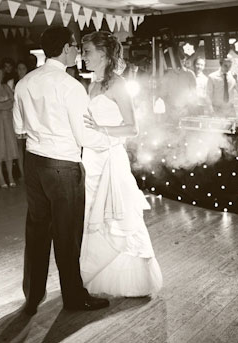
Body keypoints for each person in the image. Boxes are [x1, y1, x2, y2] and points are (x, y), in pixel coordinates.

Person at [13, 26, 113, 315]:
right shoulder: (70, 86)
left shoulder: (25, 82)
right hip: (62, 166)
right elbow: (84, 136)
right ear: (66, 48)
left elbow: (19, 129)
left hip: (33, 163)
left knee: (36, 230)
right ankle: (73, 297)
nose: (77, 51)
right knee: (68, 235)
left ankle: (32, 296)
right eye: (74, 46)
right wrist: (109, 139)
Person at [80, 31, 163, 297]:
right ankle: (96, 271)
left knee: (117, 217)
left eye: (88, 51)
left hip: (110, 160)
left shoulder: (118, 85)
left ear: (104, 55)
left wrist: (102, 128)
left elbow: (133, 128)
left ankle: (129, 278)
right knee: (92, 214)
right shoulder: (91, 84)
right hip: (91, 159)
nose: (84, 56)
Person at [8, 61, 29, 179]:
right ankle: (22, 173)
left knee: (29, 146)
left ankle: (29, 172)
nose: (21, 71)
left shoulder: (30, 82)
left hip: (28, 117)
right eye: (19, 68)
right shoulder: (11, 83)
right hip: (16, 116)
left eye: (23, 68)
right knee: (18, 147)